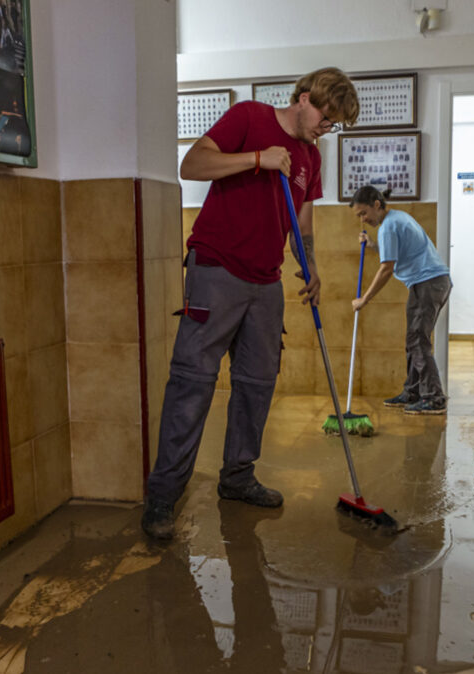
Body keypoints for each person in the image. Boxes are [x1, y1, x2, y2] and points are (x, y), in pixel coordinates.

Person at [141, 67, 360, 540]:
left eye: (335, 123)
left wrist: (312, 264)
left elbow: (302, 223)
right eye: (326, 116)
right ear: (303, 98)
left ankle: (237, 477)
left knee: (257, 383)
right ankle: (162, 496)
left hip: (265, 281)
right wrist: (257, 159)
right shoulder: (249, 117)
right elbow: (192, 166)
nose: (327, 127)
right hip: (216, 268)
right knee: (192, 383)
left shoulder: (310, 157)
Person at [350, 185, 451, 415]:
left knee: (417, 340)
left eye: (364, 213)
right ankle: (413, 391)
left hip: (428, 283)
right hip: (430, 283)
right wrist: (373, 246)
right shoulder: (395, 219)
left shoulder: (389, 226)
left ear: (377, 204)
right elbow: (392, 254)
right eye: (359, 216)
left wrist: (364, 299)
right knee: (413, 339)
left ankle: (434, 398)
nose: (363, 220)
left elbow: (387, 269)